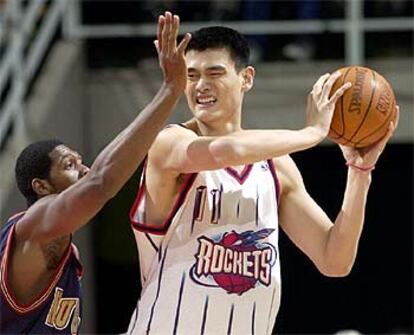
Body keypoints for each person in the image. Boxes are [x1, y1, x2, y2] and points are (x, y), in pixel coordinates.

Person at [127, 25, 399, 334]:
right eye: (191, 76)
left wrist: (359, 172)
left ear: (246, 78)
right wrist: (309, 134)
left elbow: (334, 260)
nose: (200, 85)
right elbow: (224, 151)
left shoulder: (276, 167)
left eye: (214, 74)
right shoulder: (170, 143)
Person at [0, 12, 190, 334]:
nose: (83, 168)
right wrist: (170, 91)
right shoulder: (36, 224)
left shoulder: (65, 248)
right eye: (69, 165)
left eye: (80, 160)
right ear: (41, 187)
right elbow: (102, 180)